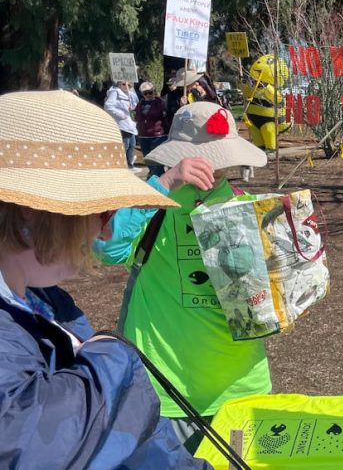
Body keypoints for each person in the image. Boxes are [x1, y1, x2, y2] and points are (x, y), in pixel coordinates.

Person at [0, 90, 209, 468]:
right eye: (103, 212)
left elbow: (134, 437)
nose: (107, 232)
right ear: (30, 210)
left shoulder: (47, 303)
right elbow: (30, 447)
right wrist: (114, 355)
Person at [95, 101, 269, 453]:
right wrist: (164, 184)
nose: (213, 170)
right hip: (165, 391)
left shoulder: (247, 206)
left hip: (241, 389)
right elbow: (107, 247)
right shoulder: (154, 209)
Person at [104, 80, 141, 172]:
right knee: (125, 145)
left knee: (132, 144)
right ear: (120, 84)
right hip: (122, 124)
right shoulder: (115, 92)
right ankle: (121, 164)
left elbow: (134, 106)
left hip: (130, 124)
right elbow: (108, 106)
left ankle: (129, 164)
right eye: (124, 84)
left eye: (129, 85)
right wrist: (121, 115)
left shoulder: (131, 94)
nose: (126, 86)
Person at [135, 81, 168, 178]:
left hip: (158, 135)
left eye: (150, 92)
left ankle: (156, 177)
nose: (148, 95)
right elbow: (137, 118)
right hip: (143, 135)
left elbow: (165, 117)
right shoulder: (140, 104)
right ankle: (153, 176)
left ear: (154, 91)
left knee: (157, 160)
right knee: (148, 158)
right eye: (145, 93)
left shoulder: (160, 102)